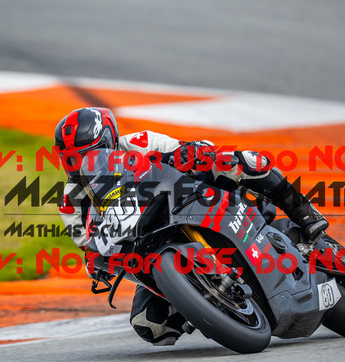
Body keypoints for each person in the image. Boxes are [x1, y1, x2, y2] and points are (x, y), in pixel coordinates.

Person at [56, 107, 328, 346]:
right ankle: (206, 303)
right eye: (71, 159)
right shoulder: (70, 200)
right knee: (150, 326)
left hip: (187, 199)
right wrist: (95, 262)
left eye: (87, 156)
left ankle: (304, 212)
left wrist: (190, 153)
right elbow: (86, 242)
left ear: (109, 141)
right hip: (148, 244)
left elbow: (185, 150)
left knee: (240, 161)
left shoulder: (140, 142)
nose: (79, 165)